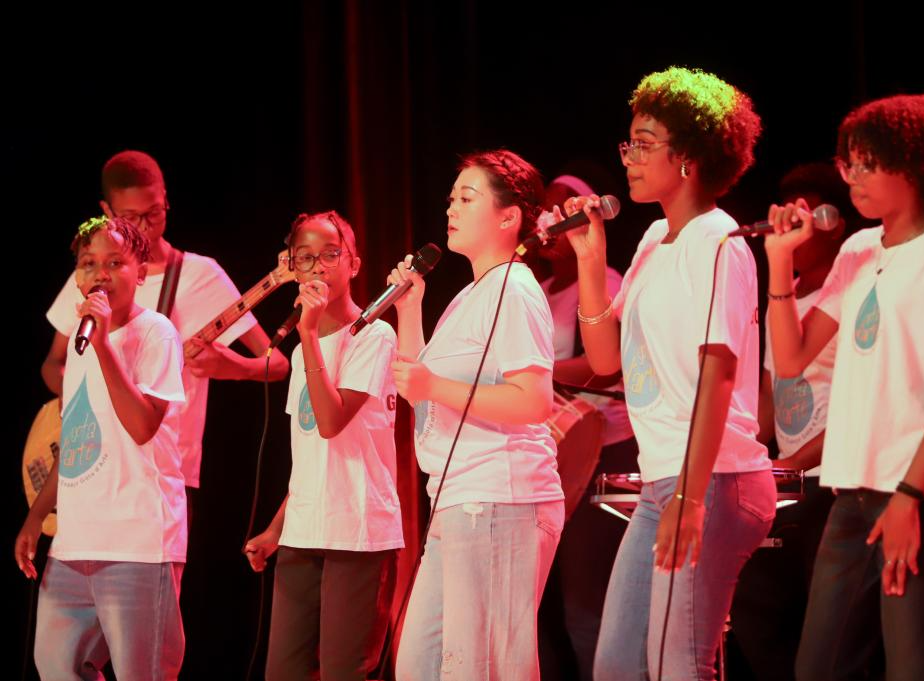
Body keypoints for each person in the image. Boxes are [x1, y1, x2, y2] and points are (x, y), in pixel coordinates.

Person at [765, 94, 924, 681]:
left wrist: (909, 497)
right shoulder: (857, 250)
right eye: (850, 164)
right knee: (819, 666)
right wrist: (779, 262)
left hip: (921, 495)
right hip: (852, 489)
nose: (854, 178)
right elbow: (790, 359)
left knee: (913, 666)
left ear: (914, 166)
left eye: (868, 164)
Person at [563, 66, 775, 680]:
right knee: (618, 665)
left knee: (678, 664)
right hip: (664, 481)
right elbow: (606, 361)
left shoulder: (720, 242)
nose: (629, 158)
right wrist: (591, 260)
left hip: (715, 479)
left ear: (687, 157)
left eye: (644, 143)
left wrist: (690, 493)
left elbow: (718, 375)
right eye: (628, 143)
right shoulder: (656, 238)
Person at [390, 149, 564, 681]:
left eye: (467, 198)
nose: (452, 208)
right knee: (418, 667)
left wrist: (433, 385)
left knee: (483, 669)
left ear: (508, 217)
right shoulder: (469, 296)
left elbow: (533, 401)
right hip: (456, 498)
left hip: (500, 496)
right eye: (451, 199)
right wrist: (409, 308)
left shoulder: (515, 288)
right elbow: (422, 393)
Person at [42, 150, 288, 517]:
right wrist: (77, 396)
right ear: (106, 210)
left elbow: (278, 364)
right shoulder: (93, 274)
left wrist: (232, 366)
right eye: (130, 217)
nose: (144, 226)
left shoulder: (201, 275)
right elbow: (53, 364)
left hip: (164, 468)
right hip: (95, 462)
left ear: (166, 200)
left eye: (154, 213)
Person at [16, 215, 188, 679]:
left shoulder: (156, 332)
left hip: (138, 543)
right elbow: (76, 438)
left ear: (142, 271)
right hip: (75, 542)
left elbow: (142, 425)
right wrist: (37, 515)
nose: (100, 273)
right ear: (77, 276)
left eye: (115, 262)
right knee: (57, 666)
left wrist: (104, 344)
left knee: (142, 671)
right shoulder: (80, 339)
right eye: (89, 263)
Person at [728, 162, 882, 680]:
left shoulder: (857, 284)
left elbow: (865, 399)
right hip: (790, 482)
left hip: (832, 479)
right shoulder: (784, 294)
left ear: (833, 222)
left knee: (831, 634)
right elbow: (771, 392)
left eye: (803, 215)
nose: (789, 225)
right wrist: (744, 453)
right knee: (757, 613)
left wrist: (792, 462)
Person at [244, 211, 402, 681]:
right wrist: (276, 529)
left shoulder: (374, 335)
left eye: (331, 255)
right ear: (293, 267)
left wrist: (309, 333)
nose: (318, 267)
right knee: (284, 671)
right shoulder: (300, 352)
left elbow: (331, 422)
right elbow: (311, 457)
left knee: (342, 671)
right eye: (306, 258)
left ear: (353, 263)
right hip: (303, 532)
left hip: (357, 532)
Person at [534, 173, 637, 681]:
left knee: (585, 599)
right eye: (545, 212)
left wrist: (536, 374)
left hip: (605, 450)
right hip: (553, 452)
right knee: (544, 600)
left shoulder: (605, 281)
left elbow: (606, 364)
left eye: (560, 211)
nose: (548, 222)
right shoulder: (537, 288)